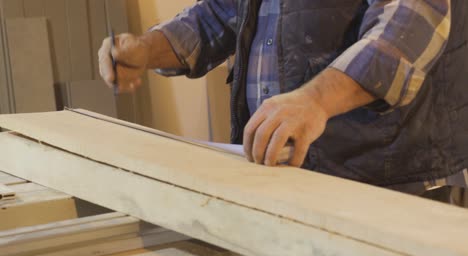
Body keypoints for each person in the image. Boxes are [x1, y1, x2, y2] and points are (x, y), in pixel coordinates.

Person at [99, 0, 468, 203]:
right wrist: (147, 50)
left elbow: (412, 21)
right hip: (294, 187)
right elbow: (220, 14)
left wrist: (316, 101)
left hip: (392, 188)